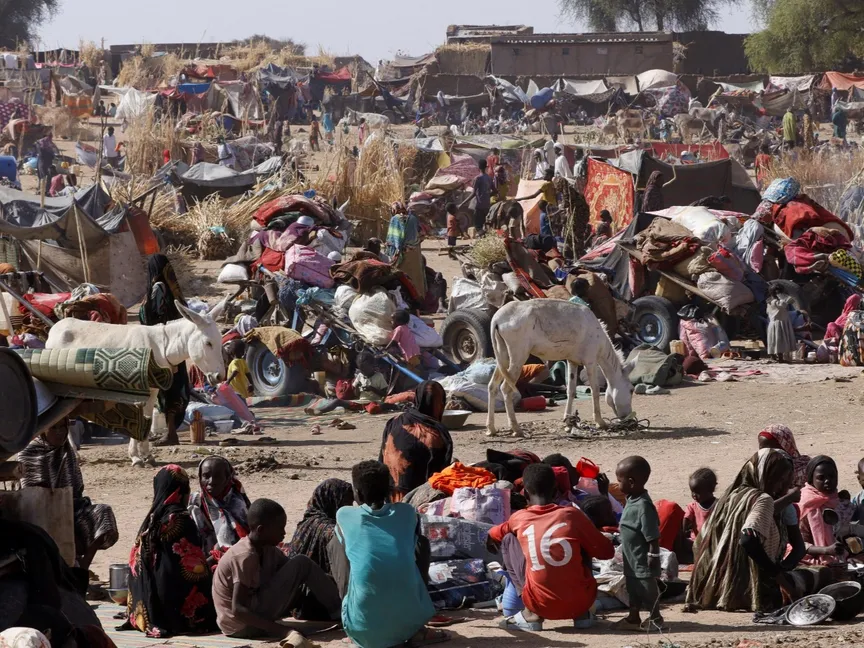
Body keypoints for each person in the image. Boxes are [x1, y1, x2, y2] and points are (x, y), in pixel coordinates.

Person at [487, 463, 614, 631]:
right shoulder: (572, 515)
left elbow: (491, 536)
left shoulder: (518, 518)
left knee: (510, 538)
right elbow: (607, 552)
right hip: (581, 602)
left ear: (525, 493)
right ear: (555, 491)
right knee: (581, 540)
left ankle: (530, 614)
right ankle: (583, 616)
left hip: (539, 604)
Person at [329, 460, 443, 648]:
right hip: (409, 625)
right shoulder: (407, 513)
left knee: (337, 543)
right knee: (420, 542)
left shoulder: (344, 515)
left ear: (356, 493)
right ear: (390, 489)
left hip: (363, 631)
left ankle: (352, 615)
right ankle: (416, 622)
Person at [685, 449, 806, 612]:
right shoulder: (762, 500)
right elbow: (748, 540)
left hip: (711, 586)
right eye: (778, 480)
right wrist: (780, 579)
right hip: (746, 588)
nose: (781, 487)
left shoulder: (732, 494)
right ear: (766, 476)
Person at [212, 498, 341, 638]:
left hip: (252, 615)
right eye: (280, 528)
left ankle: (338, 608)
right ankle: (342, 613)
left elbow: (296, 574)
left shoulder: (268, 549)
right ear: (261, 530)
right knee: (302, 562)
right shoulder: (245, 556)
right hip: (241, 625)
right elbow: (238, 609)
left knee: (304, 575)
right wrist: (282, 630)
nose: (284, 533)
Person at [126, 465, 216, 637]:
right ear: (181, 492)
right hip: (172, 612)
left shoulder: (151, 520)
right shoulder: (181, 519)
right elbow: (192, 568)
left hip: (145, 609)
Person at [17, 420, 118, 570]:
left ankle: (82, 569)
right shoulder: (29, 453)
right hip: (41, 512)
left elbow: (77, 488)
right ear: (43, 430)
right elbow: (31, 495)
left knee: (103, 513)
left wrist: (71, 505)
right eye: (54, 427)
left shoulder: (67, 450)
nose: (60, 432)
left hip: (71, 507)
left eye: (63, 427)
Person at [138, 254, 191, 452]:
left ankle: (171, 433)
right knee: (173, 387)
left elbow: (156, 319)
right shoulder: (172, 291)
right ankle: (170, 432)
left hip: (163, 349)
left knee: (168, 388)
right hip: (175, 348)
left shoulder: (158, 289)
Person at [379, 381, 453, 501]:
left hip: (389, 497)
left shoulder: (395, 421)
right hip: (417, 502)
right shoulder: (437, 434)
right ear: (442, 404)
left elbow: (381, 460)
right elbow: (438, 479)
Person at [614, 456, 663, 630]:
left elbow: (652, 534)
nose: (617, 484)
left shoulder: (643, 505)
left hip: (642, 559)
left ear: (631, 482)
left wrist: (653, 554)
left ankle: (656, 618)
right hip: (631, 558)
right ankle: (633, 617)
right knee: (632, 589)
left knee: (646, 589)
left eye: (619, 481)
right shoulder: (631, 499)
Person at [188, 456, 250, 561]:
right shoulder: (195, 503)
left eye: (217, 476)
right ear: (199, 477)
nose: (211, 481)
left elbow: (249, 538)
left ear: (227, 478)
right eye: (206, 476)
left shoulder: (238, 503)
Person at [287, 478, 353, 577]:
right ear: (334, 500)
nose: (350, 507)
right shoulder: (331, 531)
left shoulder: (308, 520)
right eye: (346, 502)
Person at [799, 456, 847, 565]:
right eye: (821, 478)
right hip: (810, 559)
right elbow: (799, 544)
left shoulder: (840, 503)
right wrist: (825, 550)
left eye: (832, 476)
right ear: (811, 479)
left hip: (840, 557)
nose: (827, 481)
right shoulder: (806, 504)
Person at [385, 201, 426, 297]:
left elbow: (395, 240)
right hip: (414, 254)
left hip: (402, 255)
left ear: (394, 210)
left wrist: (395, 252)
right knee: (415, 277)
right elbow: (422, 235)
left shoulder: (395, 219)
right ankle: (419, 297)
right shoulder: (413, 219)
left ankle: (404, 299)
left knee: (402, 278)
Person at [757, 424, 811, 488]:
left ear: (786, 445)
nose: (766, 453)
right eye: (763, 449)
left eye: (771, 449)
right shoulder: (760, 469)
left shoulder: (806, 469)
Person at [683, 468, 717, 540]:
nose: (694, 495)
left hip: (712, 540)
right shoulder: (692, 507)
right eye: (692, 491)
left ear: (711, 489)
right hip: (696, 541)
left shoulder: (718, 505)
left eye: (697, 492)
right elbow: (686, 521)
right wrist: (684, 533)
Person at [766, 284, 796, 362]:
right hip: (779, 323)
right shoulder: (776, 302)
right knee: (779, 340)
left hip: (774, 323)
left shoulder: (769, 301)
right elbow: (787, 303)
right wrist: (783, 297)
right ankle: (780, 358)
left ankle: (773, 357)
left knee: (773, 340)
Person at [468, 159, 494, 233]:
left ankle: (481, 239)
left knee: (478, 226)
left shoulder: (478, 178)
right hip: (487, 205)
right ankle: (484, 240)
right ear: (486, 167)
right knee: (484, 225)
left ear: (478, 167)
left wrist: (462, 203)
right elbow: (495, 191)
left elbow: (473, 193)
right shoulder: (489, 178)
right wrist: (487, 195)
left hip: (479, 206)